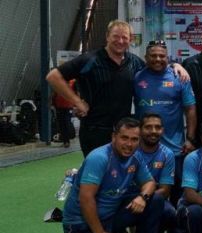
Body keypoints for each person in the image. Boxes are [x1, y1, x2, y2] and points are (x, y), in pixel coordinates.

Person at [62, 117, 165, 233]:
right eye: (124, 138)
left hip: (110, 216)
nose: (129, 144)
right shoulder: (99, 158)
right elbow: (86, 199)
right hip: (81, 223)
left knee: (156, 200)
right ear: (114, 137)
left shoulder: (135, 157)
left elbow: (150, 183)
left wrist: (142, 197)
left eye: (134, 139)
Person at [47, 21, 144, 155]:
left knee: (122, 174)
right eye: (116, 36)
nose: (120, 41)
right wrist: (77, 102)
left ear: (130, 39)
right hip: (94, 131)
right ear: (107, 36)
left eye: (124, 37)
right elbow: (53, 77)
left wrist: (177, 67)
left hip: (123, 132)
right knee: (96, 173)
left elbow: (157, 72)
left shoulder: (135, 62)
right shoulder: (90, 60)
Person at [133, 40, 197, 157]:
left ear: (167, 57)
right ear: (146, 57)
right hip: (143, 149)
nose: (158, 59)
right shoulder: (137, 77)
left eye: (162, 56)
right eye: (153, 55)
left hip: (175, 149)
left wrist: (190, 139)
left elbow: (190, 109)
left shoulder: (180, 77)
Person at [131, 113, 178, 233]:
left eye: (157, 127)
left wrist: (143, 199)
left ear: (162, 130)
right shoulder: (131, 149)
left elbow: (165, 190)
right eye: (148, 127)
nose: (153, 131)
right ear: (140, 129)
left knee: (169, 212)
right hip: (127, 198)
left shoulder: (167, 154)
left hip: (150, 198)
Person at [52, 79, 76, 148]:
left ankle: (68, 140)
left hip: (68, 107)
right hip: (59, 107)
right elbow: (55, 93)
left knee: (67, 123)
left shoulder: (73, 82)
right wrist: (52, 102)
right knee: (61, 124)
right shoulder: (58, 81)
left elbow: (77, 93)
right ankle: (65, 141)